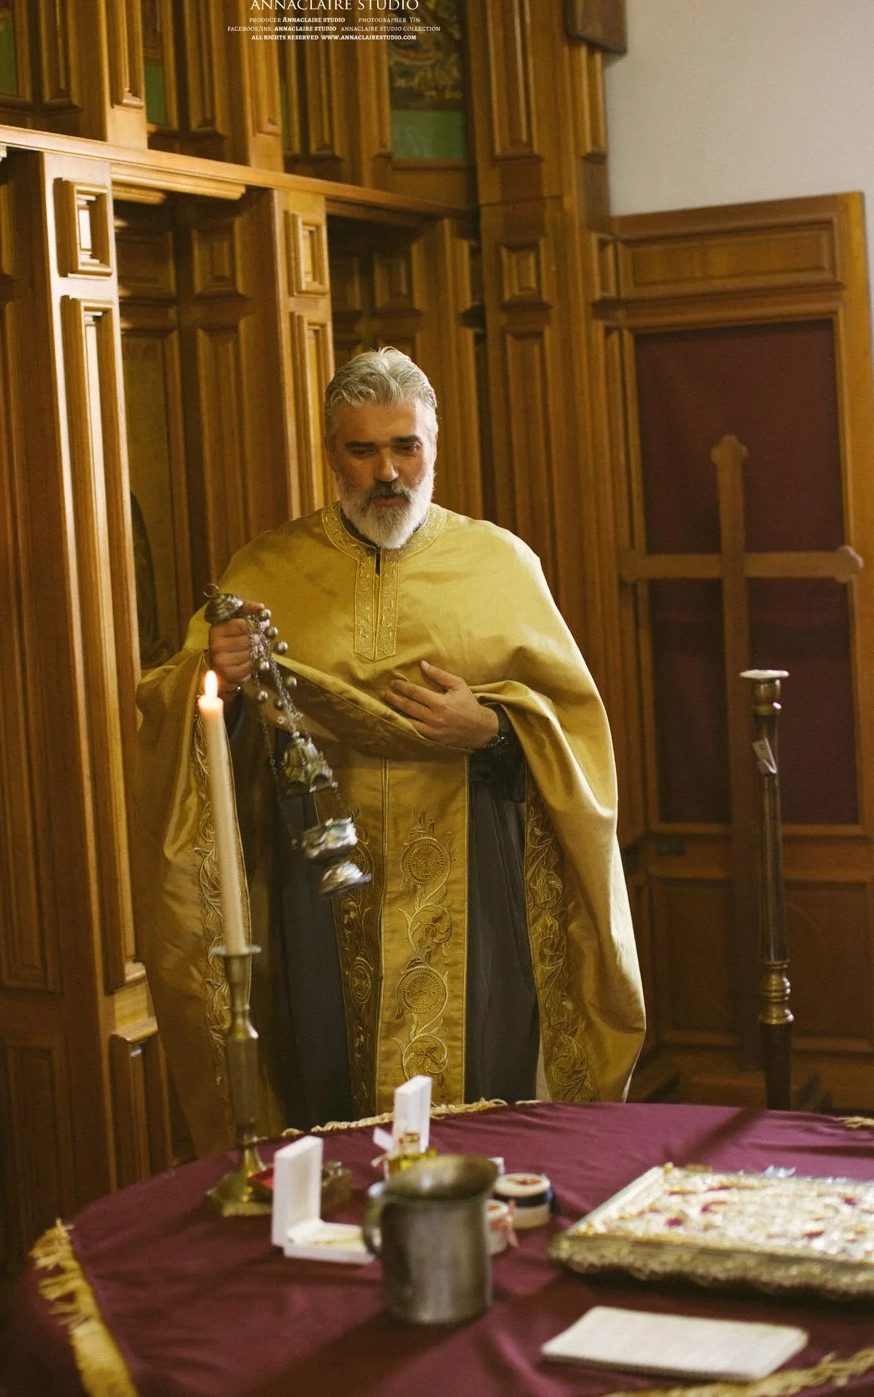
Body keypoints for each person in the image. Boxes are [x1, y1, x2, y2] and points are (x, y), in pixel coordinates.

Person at [133, 350, 644, 1154]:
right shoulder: (267, 567)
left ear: (434, 445)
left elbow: (573, 719)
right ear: (330, 452)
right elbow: (177, 706)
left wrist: (495, 729)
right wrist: (216, 676)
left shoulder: (500, 563)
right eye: (362, 450)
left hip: (471, 864)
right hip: (319, 880)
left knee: (481, 1090)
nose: (387, 473)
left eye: (405, 447)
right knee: (326, 1079)